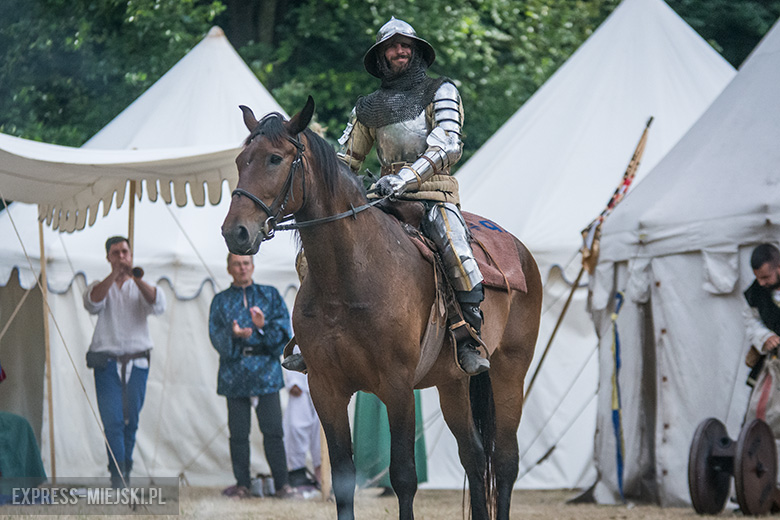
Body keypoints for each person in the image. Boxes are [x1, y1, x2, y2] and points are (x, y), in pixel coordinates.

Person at [283, 16, 488, 376]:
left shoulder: (440, 90)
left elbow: (449, 144)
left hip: (432, 193)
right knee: (315, 253)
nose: (399, 51)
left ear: (416, 51)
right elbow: (348, 160)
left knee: (456, 249)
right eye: (392, 47)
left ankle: (468, 337)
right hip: (384, 198)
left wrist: (407, 177)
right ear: (381, 57)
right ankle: (313, 335)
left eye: (405, 45)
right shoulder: (368, 107)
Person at [209, 253, 295, 499]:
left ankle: (282, 485)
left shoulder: (269, 295)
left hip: (266, 372)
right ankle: (243, 485)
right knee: (238, 433)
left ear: (253, 266)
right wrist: (233, 334)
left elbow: (283, 335)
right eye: (237, 264)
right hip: (234, 373)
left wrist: (261, 326)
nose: (242, 268)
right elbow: (215, 335)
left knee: (273, 430)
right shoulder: (221, 301)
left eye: (246, 263)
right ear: (229, 268)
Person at [83, 236, 166, 488]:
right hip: (107, 364)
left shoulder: (141, 285)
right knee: (113, 422)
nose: (121, 256)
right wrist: (114, 275)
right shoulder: (100, 285)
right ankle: (118, 477)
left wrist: (134, 277)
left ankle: (125, 472)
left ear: (131, 255)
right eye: (116, 253)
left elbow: (157, 303)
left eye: (125, 252)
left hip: (137, 363)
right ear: (108, 257)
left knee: (132, 422)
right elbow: (91, 303)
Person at [283, 348, 322, 489]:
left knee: (322, 430)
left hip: (324, 380)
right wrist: (293, 381)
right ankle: (297, 472)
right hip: (298, 379)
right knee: (296, 426)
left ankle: (322, 474)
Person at [744, 243, 780, 383]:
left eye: (765, 277)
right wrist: (765, 337)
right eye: (757, 277)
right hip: (774, 363)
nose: (761, 283)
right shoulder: (755, 293)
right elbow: (751, 321)